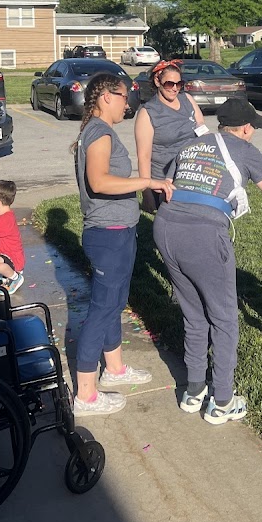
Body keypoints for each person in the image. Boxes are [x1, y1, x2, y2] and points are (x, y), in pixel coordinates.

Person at [153, 97, 262, 424]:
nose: (253, 133)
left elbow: (168, 187)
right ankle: (222, 402)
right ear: (245, 128)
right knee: (225, 319)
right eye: (253, 128)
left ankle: (193, 391)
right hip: (202, 235)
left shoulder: (192, 145)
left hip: (166, 229)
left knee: (193, 314)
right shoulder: (245, 150)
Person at [72, 72, 174, 416]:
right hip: (107, 232)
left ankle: (114, 369)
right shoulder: (99, 133)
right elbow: (99, 181)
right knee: (102, 308)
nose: (128, 102)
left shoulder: (99, 131)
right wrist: (148, 181)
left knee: (114, 302)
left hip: (119, 229)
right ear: (105, 97)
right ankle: (85, 394)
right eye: (124, 95)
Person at [135, 59, 207, 210]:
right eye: (169, 84)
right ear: (157, 81)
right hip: (165, 182)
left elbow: (202, 129)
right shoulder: (148, 113)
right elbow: (144, 156)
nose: (175, 89)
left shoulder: (187, 99)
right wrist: (147, 191)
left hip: (192, 175)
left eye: (179, 84)